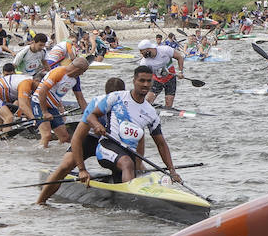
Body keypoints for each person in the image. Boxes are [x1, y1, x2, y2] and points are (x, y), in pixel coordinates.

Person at [72, 65, 182, 186]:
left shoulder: (151, 113)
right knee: (127, 163)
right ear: (134, 81)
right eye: (142, 80)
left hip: (130, 153)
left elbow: (161, 144)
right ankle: (133, 198)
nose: (145, 84)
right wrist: (97, 125)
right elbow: (91, 116)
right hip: (106, 147)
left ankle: (123, 189)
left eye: (148, 81)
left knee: (131, 167)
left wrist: (172, 170)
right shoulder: (117, 97)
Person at [37, 76, 127, 204]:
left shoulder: (128, 105)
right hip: (90, 138)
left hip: (111, 141)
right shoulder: (97, 103)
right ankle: (40, 202)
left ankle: (124, 191)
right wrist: (81, 169)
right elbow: (77, 138)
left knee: (126, 166)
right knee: (65, 166)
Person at [136, 38, 185, 109]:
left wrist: (180, 72)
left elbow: (180, 57)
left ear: (149, 49)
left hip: (170, 79)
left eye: (142, 52)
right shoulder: (144, 62)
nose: (142, 55)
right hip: (156, 80)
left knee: (168, 105)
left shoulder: (165, 50)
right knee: (148, 101)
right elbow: (143, 77)